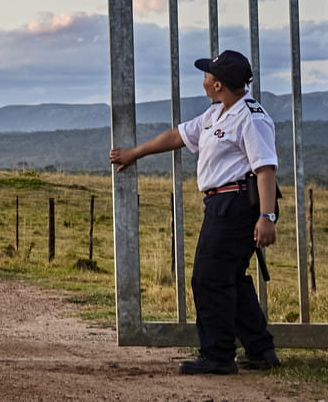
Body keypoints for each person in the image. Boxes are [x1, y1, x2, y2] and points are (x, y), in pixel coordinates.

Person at [109, 50, 281, 375]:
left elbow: (265, 169)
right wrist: (137, 153)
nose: (203, 79)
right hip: (222, 203)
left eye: (207, 75)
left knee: (208, 279)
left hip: (238, 203)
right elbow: (178, 135)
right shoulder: (217, 113)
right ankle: (260, 349)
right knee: (229, 276)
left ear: (217, 84)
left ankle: (217, 355)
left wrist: (266, 217)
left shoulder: (250, 116)